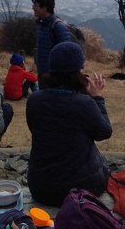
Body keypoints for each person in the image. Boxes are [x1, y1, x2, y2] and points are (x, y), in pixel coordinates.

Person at [26, 41, 112, 206]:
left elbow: (35, 129)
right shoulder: (85, 104)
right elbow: (104, 132)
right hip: (82, 190)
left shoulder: (34, 100)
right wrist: (97, 98)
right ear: (78, 72)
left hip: (40, 188)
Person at [31, 0, 73, 88]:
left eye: (35, 4)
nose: (33, 7)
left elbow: (67, 53)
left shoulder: (58, 26)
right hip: (43, 75)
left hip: (55, 78)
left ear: (44, 7)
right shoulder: (42, 25)